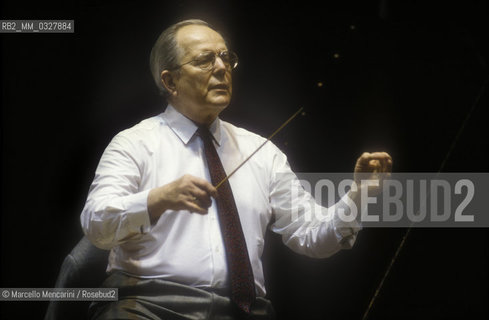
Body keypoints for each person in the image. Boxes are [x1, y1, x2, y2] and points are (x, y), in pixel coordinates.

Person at [81, 19, 392, 320]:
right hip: (148, 305)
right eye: (205, 59)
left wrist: (358, 196)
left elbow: (311, 237)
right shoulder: (135, 143)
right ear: (170, 81)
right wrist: (159, 198)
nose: (221, 67)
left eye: (225, 57)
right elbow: (96, 224)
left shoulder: (263, 153)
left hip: (244, 311)